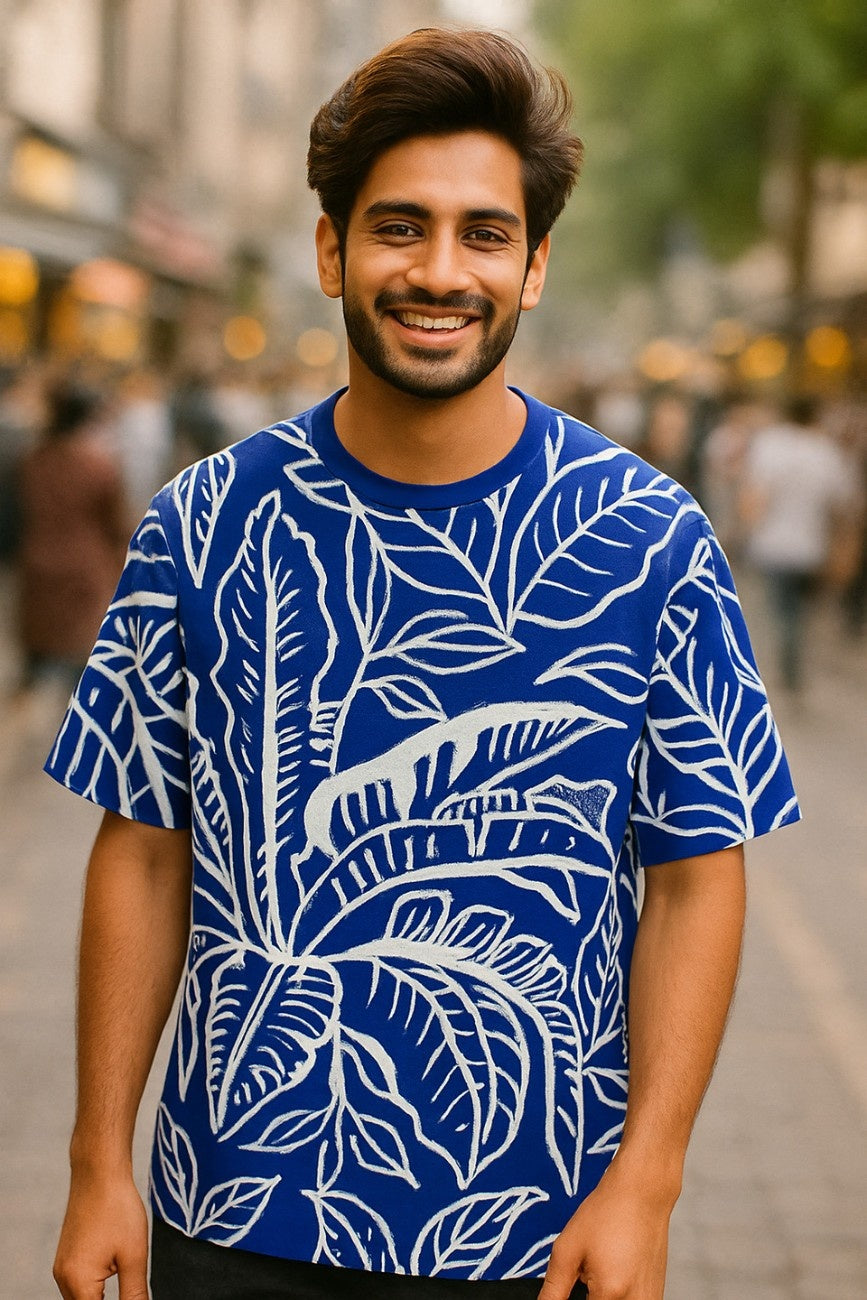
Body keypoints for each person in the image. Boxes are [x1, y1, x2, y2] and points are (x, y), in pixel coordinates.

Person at [48, 28, 799, 1300]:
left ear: (536, 263)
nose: (439, 270)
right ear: (333, 250)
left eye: (484, 233)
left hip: (538, 1233)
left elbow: (692, 877)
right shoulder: (200, 523)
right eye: (399, 227)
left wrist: (648, 1183)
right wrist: (95, 1164)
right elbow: (142, 847)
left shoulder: (651, 538)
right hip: (230, 1211)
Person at [16, 375, 128, 691]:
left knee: (35, 667)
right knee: (85, 672)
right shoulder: (98, 465)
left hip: (37, 565)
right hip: (85, 571)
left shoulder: (32, 459)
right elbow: (116, 524)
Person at [741, 394, 857, 692]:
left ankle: (786, 657)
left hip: (773, 543)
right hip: (810, 546)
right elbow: (841, 504)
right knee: (798, 608)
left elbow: (756, 494)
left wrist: (747, 528)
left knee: (782, 607)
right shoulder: (825, 451)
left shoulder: (770, 445)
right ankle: (792, 656)